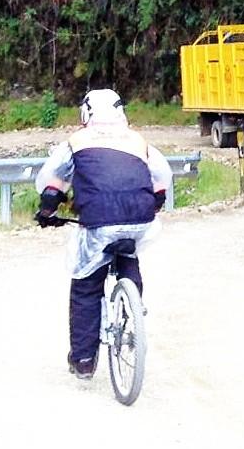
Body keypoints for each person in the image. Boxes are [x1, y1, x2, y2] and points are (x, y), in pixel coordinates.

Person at [34, 88, 173, 379]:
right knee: (128, 252)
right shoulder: (138, 141)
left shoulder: (76, 142)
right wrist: (154, 204)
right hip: (140, 219)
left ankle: (83, 359)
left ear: (86, 113)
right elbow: (162, 180)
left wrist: (47, 212)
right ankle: (132, 307)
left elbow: (51, 185)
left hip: (98, 222)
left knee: (86, 285)